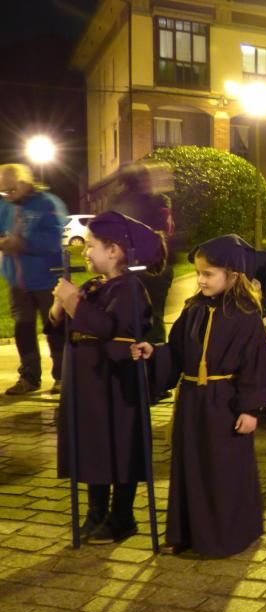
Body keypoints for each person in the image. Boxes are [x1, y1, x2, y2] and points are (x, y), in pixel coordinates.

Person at [132, 235, 266, 556]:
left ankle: (227, 535)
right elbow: (177, 351)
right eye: (199, 273)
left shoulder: (244, 316)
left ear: (233, 274)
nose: (201, 279)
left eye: (209, 273)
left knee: (223, 471)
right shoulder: (193, 309)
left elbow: (255, 364)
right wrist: (154, 354)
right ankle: (187, 533)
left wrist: (251, 409)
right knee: (190, 467)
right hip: (192, 403)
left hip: (224, 403)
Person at [50, 211, 165, 543]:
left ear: (114, 251)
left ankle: (121, 517)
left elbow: (113, 330)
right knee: (91, 447)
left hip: (114, 383)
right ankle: (95, 513)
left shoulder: (130, 289)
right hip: (86, 382)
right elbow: (60, 329)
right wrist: (59, 310)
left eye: (92, 246)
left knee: (118, 446)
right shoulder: (93, 285)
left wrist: (75, 306)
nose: (85, 252)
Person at [0, 163, 66, 395]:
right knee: (23, 330)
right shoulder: (5, 206)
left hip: (47, 280)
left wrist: (23, 244)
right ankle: (29, 377)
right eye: (2, 191)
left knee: (55, 329)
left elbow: (54, 240)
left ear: (24, 183)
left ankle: (63, 377)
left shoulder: (48, 204)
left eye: (9, 190)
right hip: (18, 282)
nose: (6, 195)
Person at [108, 161, 175, 343]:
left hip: (134, 269)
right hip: (156, 269)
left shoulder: (119, 204)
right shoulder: (156, 202)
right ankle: (157, 363)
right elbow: (166, 234)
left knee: (133, 322)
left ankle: (140, 364)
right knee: (154, 320)